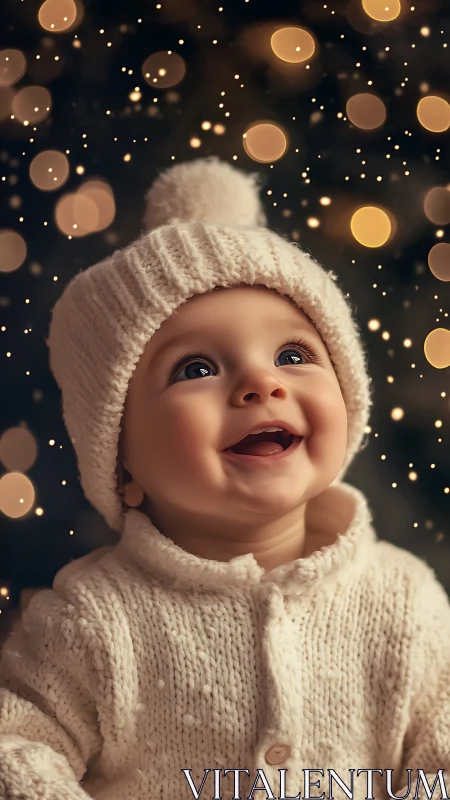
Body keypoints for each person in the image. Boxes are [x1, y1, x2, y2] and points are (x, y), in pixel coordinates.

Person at [0, 157, 449, 800]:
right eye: (196, 368)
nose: (261, 384)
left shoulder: (405, 602)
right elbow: (16, 747)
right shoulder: (92, 620)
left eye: (293, 355)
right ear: (120, 461)